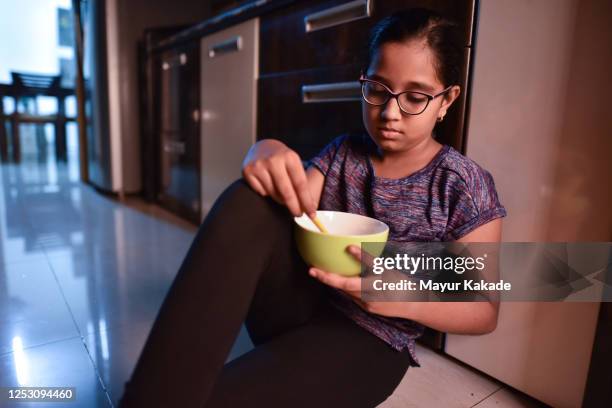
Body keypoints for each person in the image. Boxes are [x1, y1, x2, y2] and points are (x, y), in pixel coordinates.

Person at [120, 8, 506, 408]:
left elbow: (484, 311)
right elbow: (283, 202)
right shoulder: (343, 153)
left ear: (447, 100)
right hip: (302, 305)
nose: (390, 112)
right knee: (251, 198)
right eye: (377, 89)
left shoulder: (461, 184)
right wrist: (263, 150)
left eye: (415, 97)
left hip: (371, 342)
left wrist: (399, 296)